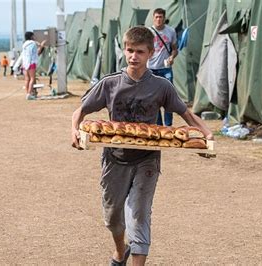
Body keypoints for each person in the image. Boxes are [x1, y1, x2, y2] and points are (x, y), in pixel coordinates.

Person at [71, 26, 213, 265]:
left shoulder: (161, 86)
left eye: (139, 52)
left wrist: (206, 136)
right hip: (114, 158)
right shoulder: (110, 83)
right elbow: (81, 110)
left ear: (151, 52)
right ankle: (120, 250)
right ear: (124, 51)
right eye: (129, 51)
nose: (133, 56)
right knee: (113, 217)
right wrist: (74, 129)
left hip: (147, 158)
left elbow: (186, 115)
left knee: (138, 214)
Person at [147, 8, 178, 126]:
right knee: (154, 98)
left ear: (164, 18)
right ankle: (159, 125)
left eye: (161, 17)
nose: (158, 19)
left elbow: (175, 49)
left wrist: (172, 57)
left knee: (168, 96)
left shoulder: (171, 31)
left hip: (165, 69)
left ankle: (168, 125)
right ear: (153, 18)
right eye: (156, 17)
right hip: (151, 69)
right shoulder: (148, 32)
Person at [22, 31, 46, 100]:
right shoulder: (33, 44)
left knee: (27, 79)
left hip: (25, 63)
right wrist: (41, 46)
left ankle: (27, 93)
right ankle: (29, 94)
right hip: (31, 63)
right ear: (31, 37)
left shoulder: (24, 44)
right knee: (32, 78)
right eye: (34, 36)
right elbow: (37, 53)